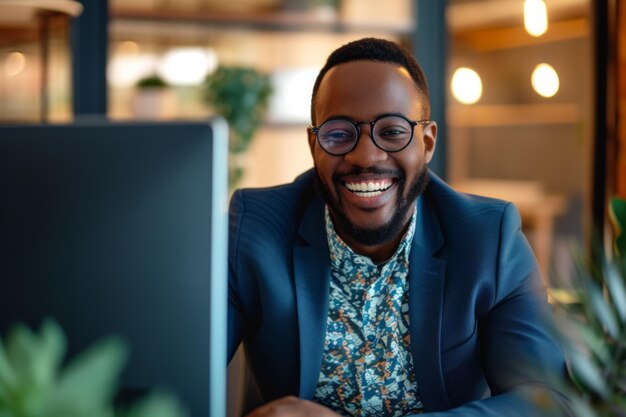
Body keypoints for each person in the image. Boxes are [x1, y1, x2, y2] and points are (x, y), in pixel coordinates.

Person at [228, 37, 569, 417]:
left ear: (426, 143)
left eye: (392, 131)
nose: (365, 156)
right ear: (314, 145)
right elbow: (177, 373)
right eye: (339, 134)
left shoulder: (489, 239)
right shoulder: (256, 228)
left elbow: (546, 402)